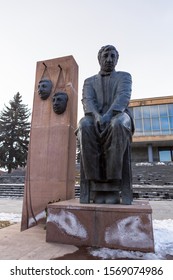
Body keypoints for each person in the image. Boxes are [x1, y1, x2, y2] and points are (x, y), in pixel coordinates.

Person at [77, 45, 134, 204]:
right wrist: (96, 116)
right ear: (99, 59)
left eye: (113, 56)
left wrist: (108, 116)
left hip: (119, 115)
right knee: (84, 126)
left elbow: (123, 97)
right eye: (106, 56)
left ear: (117, 59)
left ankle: (113, 185)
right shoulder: (89, 81)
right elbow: (87, 100)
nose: (109, 59)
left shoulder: (124, 77)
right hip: (95, 117)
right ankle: (95, 185)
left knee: (117, 124)